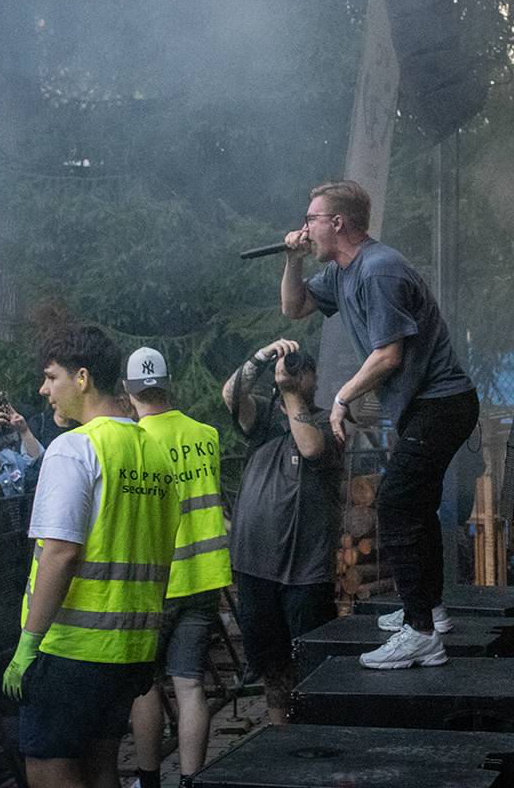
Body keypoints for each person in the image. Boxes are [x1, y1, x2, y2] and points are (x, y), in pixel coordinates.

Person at [281, 180, 479, 669]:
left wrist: (342, 397)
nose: (305, 227)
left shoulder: (379, 270)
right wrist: (293, 260)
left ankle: (420, 633)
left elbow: (389, 354)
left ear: (338, 223)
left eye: (311, 219)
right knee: (416, 506)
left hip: (443, 403)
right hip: (425, 406)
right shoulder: (341, 272)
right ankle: (429, 611)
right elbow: (295, 308)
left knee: (396, 504)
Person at [3, 326, 180, 788]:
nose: (44, 390)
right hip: (131, 649)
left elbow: (60, 553)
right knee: (101, 766)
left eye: (51, 377)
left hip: (69, 651)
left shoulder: (74, 448)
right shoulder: (155, 454)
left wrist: (27, 645)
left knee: (49, 769)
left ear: (82, 378)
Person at [122, 347, 230, 788]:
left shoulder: (134, 441)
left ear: (128, 390)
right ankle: (191, 781)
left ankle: (149, 781)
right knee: (190, 685)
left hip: (155, 582)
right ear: (169, 384)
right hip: (204, 577)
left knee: (145, 685)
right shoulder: (206, 435)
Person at [220, 337, 341, 722]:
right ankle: (279, 738)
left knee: (312, 664)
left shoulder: (330, 421)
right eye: (291, 368)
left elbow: (310, 448)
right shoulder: (264, 419)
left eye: (302, 369)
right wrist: (260, 358)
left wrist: (289, 392)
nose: (294, 373)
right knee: (271, 667)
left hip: (306, 571)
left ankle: (315, 739)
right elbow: (230, 395)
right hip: (256, 568)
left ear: (315, 378)